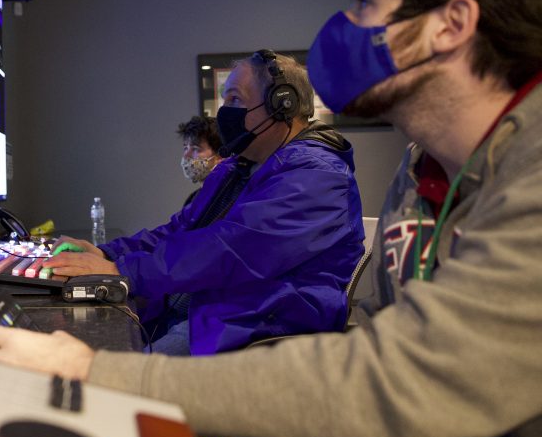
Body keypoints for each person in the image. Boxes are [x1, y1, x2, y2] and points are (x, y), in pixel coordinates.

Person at [0, 0, 542, 437]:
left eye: (366, 3)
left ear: (452, 24)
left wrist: (97, 371)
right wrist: (114, 260)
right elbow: (190, 238)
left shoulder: (523, 172)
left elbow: (402, 379)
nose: (347, 27)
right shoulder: (423, 170)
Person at [47, 52, 365, 355]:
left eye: (236, 99)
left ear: (283, 105)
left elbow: (230, 249)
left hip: (256, 328)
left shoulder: (318, 178)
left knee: (115, 381)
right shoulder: (238, 167)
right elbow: (182, 229)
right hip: (210, 310)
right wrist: (108, 253)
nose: (223, 111)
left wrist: (122, 270)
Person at [178, 115, 223, 206]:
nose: (186, 155)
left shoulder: (229, 197)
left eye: (195, 149)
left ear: (220, 156)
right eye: (185, 148)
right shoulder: (192, 200)